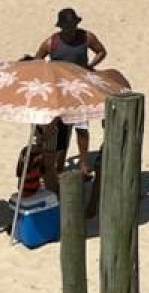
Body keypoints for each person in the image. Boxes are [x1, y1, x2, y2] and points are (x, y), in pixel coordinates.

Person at [36, 9, 106, 174]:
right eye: (67, 27)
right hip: (59, 91)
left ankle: (84, 162)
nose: (70, 30)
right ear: (61, 27)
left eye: (72, 26)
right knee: (60, 129)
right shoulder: (50, 43)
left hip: (80, 88)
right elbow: (38, 60)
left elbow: (102, 51)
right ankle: (59, 164)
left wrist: (90, 66)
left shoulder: (86, 37)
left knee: (82, 126)